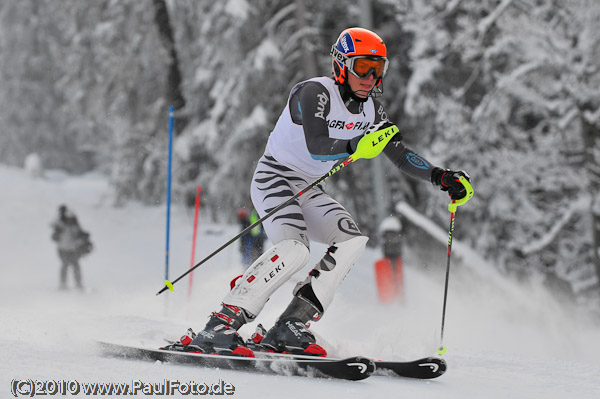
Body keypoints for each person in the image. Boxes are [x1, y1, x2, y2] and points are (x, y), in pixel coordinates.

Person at [177, 27, 472, 357]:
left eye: (378, 69)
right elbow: (317, 146)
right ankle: (222, 322)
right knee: (294, 250)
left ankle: (290, 325)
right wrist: (354, 145)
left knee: (351, 241)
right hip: (274, 177)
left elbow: (400, 154)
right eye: (362, 67)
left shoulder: (372, 112)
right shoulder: (315, 92)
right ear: (342, 66)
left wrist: (441, 177)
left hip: (308, 187)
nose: (370, 77)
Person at [51, 205, 93, 290]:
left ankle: (78, 284)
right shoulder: (61, 226)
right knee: (65, 265)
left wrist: (84, 239)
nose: (70, 220)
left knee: (76, 266)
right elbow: (54, 236)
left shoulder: (75, 226)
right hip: (63, 250)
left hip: (73, 250)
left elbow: (79, 236)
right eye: (68, 218)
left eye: (71, 218)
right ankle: (63, 284)